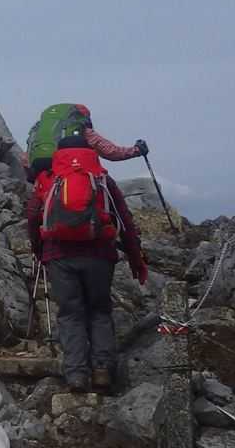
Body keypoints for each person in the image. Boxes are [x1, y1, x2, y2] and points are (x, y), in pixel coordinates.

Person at [25, 133, 145, 393]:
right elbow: (124, 220)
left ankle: (76, 375)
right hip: (99, 254)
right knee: (100, 311)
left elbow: (33, 214)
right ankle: (102, 371)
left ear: (59, 154)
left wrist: (38, 249)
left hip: (59, 256)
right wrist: (136, 260)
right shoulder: (102, 180)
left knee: (70, 314)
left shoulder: (49, 178)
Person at [23, 104, 148, 181]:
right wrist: (136, 150)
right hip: (74, 173)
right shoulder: (83, 130)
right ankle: (124, 218)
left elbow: (26, 157)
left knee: (35, 205)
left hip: (41, 172)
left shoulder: (38, 131)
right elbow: (111, 152)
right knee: (112, 191)